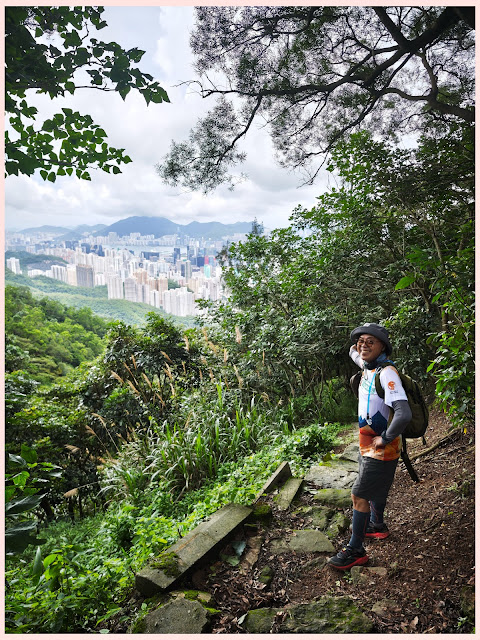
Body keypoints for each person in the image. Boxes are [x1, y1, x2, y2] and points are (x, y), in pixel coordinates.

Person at [327, 323, 412, 571]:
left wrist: (385, 438)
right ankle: (376, 525)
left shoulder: (386, 374)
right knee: (376, 488)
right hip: (368, 444)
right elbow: (353, 352)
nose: (363, 345)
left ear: (383, 347)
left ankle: (356, 550)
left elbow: (403, 413)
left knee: (359, 495)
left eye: (370, 342)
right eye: (361, 341)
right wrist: (358, 347)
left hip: (381, 447)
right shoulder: (367, 366)